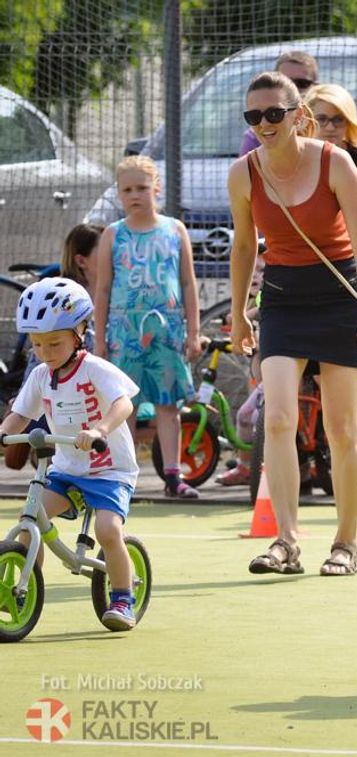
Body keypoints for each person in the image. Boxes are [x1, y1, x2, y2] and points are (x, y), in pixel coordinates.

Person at [228, 71, 357, 577]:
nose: (264, 124)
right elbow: (243, 246)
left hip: (340, 295)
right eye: (254, 116)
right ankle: (286, 542)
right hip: (281, 299)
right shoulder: (243, 174)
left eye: (274, 114)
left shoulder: (336, 162)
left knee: (342, 429)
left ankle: (346, 543)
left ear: (299, 115)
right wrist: (238, 314)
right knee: (276, 419)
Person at [0, 278, 140, 630]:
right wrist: (3, 433)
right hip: (65, 468)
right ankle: (25, 585)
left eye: (54, 343)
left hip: (109, 469)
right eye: (37, 345)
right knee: (28, 525)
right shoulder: (40, 376)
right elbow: (21, 414)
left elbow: (123, 403)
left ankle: (123, 597)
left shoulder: (95, 369)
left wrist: (99, 430)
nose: (45, 353)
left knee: (109, 531)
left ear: (80, 332)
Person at [92, 156, 203, 499]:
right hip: (125, 332)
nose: (135, 195)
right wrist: (99, 340)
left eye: (142, 187)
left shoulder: (174, 230)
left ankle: (173, 474)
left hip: (167, 331)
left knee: (168, 406)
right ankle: (125, 475)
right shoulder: (114, 234)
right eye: (127, 189)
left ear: (156, 188)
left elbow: (187, 282)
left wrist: (194, 330)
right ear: (119, 195)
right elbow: (104, 288)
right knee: (123, 403)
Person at [305, 82, 357, 483]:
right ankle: (303, 463)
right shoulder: (297, 161)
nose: (331, 127)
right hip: (301, 283)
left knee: (348, 376)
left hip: (348, 281)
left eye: (338, 119)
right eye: (322, 119)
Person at [5, 223, 104, 471]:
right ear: (82, 261)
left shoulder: (116, 298)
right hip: (59, 394)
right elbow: (40, 367)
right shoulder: (64, 305)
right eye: (107, 251)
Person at [239, 51, 318, 157]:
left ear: (316, 86)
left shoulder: (332, 125)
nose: (293, 89)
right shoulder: (257, 136)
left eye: (302, 83)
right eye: (285, 82)